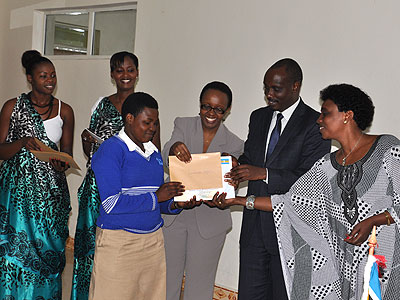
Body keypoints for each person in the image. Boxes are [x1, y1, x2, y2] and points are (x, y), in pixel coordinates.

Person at [215, 83, 400, 300]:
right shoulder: (326, 166)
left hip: (382, 266)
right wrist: (237, 200)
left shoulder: (387, 148)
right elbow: (289, 203)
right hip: (345, 271)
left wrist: (375, 220)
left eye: (325, 113)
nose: (319, 120)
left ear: (347, 116)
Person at [227, 58, 331, 300]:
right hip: (253, 230)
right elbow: (250, 157)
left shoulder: (317, 124)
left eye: (276, 88)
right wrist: (236, 167)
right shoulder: (259, 117)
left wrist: (264, 173)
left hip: (290, 231)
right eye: (266, 88)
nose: (268, 95)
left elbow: (310, 179)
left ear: (296, 86)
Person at [71, 51, 161, 300]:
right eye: (119, 70)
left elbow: (155, 154)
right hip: (98, 187)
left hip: (132, 189)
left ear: (138, 73)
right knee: (91, 247)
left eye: (130, 70)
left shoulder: (147, 109)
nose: (125, 75)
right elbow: (91, 150)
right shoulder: (101, 105)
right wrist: (87, 143)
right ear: (112, 74)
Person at [88, 92, 195, 300]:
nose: (152, 129)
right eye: (147, 123)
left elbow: (156, 201)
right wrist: (157, 197)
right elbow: (111, 204)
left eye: (155, 123)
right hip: (119, 242)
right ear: (129, 118)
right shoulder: (111, 150)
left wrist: (176, 203)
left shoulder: (153, 153)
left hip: (153, 241)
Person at [0, 50, 74, 299]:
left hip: (49, 198)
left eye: (53, 75)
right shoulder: (12, 106)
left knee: (48, 253)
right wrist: (21, 142)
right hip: (17, 199)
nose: (50, 80)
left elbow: (66, 155)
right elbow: (0, 151)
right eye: (43, 76)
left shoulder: (65, 111)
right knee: (13, 252)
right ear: (30, 78)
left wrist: (60, 164)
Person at [161, 81, 244, 300]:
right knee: (167, 281)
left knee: (199, 288)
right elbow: (165, 156)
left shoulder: (235, 144)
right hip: (175, 217)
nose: (211, 113)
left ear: (227, 112)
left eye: (218, 109)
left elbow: (233, 182)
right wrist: (173, 148)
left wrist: (230, 187)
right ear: (199, 105)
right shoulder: (183, 125)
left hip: (210, 220)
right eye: (206, 106)